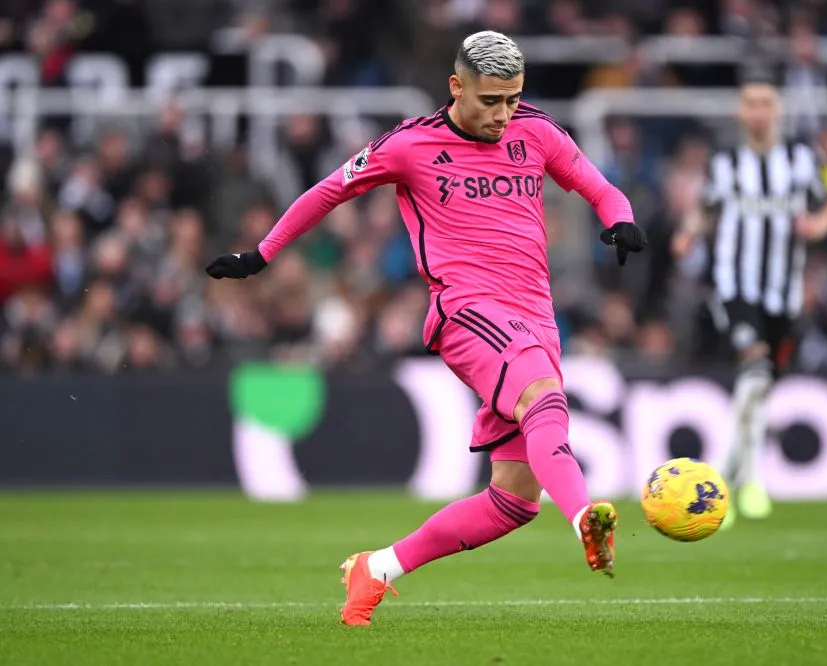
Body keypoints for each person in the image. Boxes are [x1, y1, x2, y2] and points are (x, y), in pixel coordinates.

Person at [206, 31, 647, 625]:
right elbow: (328, 191)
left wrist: (620, 220)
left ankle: (377, 568)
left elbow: (598, 185)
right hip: (467, 311)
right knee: (545, 398)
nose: (502, 113)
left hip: (534, 316)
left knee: (513, 501)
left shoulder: (536, 131)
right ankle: (585, 518)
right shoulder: (412, 145)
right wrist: (262, 253)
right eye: (490, 100)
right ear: (456, 86)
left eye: (512, 98)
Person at [676, 67, 827, 528]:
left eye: (765, 102)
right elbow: (704, 209)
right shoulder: (725, 162)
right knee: (753, 371)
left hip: (784, 294)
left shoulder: (803, 159)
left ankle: (730, 479)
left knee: (758, 388)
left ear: (778, 109)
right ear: (741, 109)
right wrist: (687, 234)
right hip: (735, 287)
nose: (757, 111)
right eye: (750, 102)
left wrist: (819, 225)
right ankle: (743, 482)